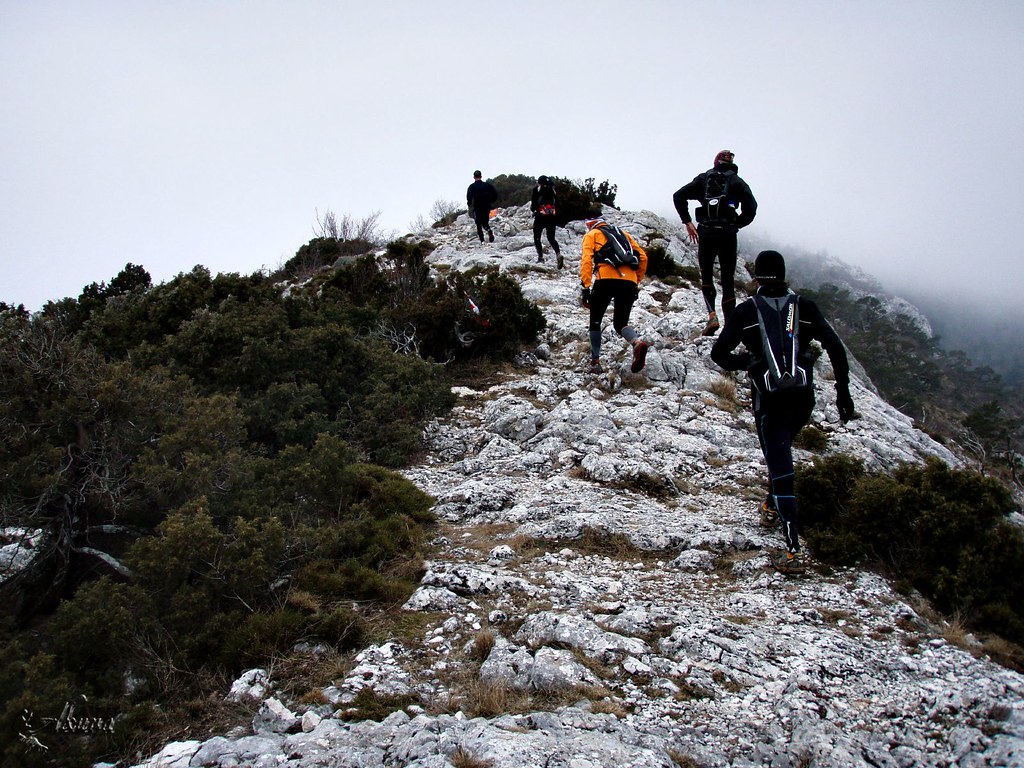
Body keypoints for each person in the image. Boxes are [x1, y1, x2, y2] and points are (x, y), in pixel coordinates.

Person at [710, 250, 856, 575]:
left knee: (781, 465)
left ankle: (792, 552)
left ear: (757, 277)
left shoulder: (746, 311)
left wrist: (747, 364)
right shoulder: (804, 307)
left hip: (770, 399)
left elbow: (719, 353)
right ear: (785, 274)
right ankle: (769, 504)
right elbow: (834, 346)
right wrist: (842, 391)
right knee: (781, 452)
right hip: (803, 399)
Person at [673, 150, 757, 336]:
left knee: (706, 274)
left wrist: (687, 221)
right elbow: (752, 208)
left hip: (706, 232)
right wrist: (736, 224)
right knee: (727, 278)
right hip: (727, 234)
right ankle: (729, 325)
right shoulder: (737, 182)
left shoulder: (704, 179)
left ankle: (712, 315)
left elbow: (678, 195)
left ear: (716, 161)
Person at [580, 210, 650, 374]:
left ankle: (595, 362)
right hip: (629, 282)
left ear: (590, 224)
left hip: (605, 280)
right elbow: (644, 258)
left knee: (595, 320)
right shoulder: (624, 234)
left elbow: (586, 261)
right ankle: (637, 343)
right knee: (620, 323)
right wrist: (636, 280)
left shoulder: (593, 235)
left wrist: (585, 287)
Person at [530, 175, 563, 269]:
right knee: (551, 238)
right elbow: (558, 204)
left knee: (537, 237)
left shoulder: (537, 190)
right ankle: (558, 254)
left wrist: (534, 211)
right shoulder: (553, 191)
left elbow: (533, 204)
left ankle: (540, 257)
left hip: (540, 216)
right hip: (551, 217)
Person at [466, 170, 498, 243]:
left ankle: (482, 240)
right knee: (485, 223)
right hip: (486, 207)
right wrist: (491, 201)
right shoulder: (487, 185)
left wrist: (470, 204)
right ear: (481, 176)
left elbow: (469, 197)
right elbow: (495, 194)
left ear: (474, 177)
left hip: (477, 207)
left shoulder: (472, 187)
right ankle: (488, 230)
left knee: (478, 224)